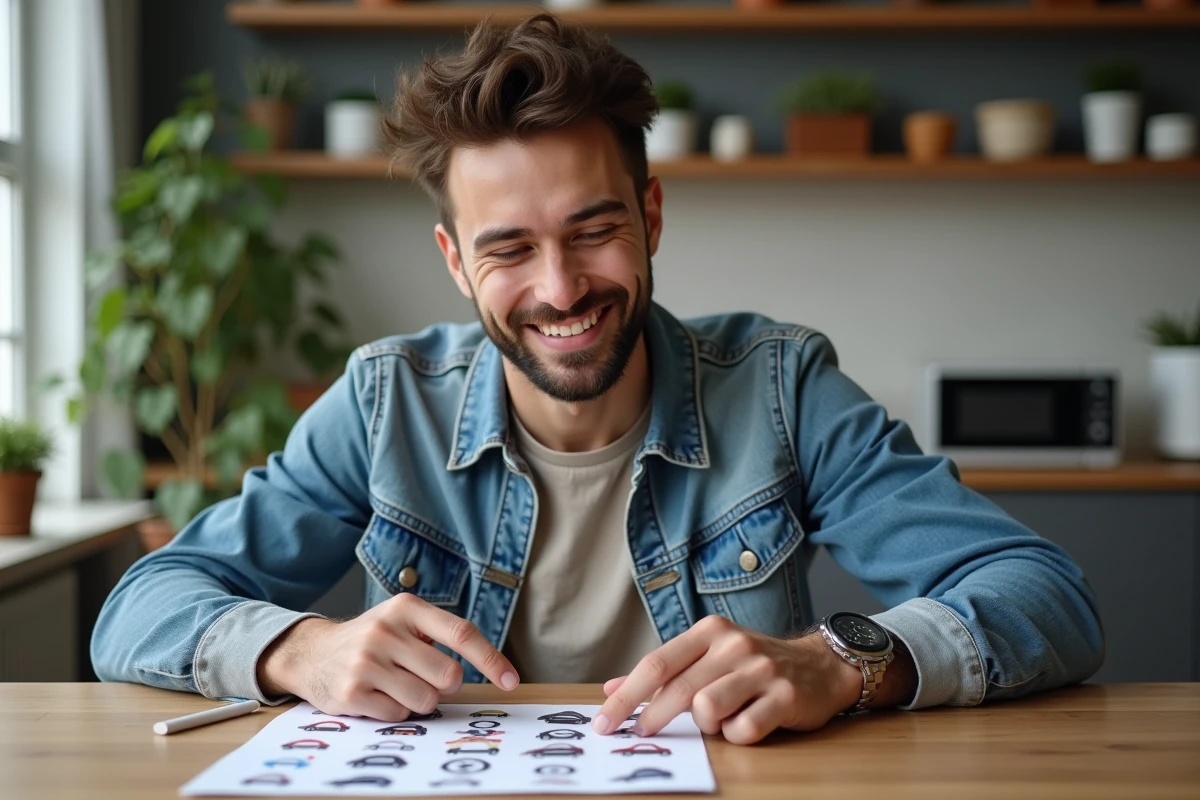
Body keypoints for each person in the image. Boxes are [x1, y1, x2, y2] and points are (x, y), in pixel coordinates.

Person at [92, 13, 1103, 745]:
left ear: (651, 215)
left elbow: (1047, 594)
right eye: (510, 249)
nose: (560, 287)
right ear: (455, 260)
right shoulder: (381, 402)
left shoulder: (783, 388)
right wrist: (299, 648)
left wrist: (841, 660)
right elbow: (143, 605)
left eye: (595, 230)